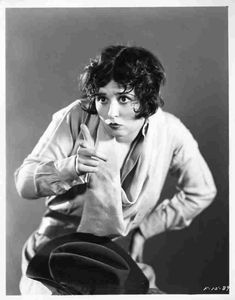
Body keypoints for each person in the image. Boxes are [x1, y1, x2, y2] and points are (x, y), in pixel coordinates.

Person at [15, 45, 217, 294]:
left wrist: (145, 229)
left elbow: (201, 191)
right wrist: (71, 167)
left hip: (116, 263)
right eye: (102, 98)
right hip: (55, 254)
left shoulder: (170, 132)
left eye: (123, 98)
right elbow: (23, 182)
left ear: (145, 97)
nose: (111, 113)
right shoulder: (78, 116)